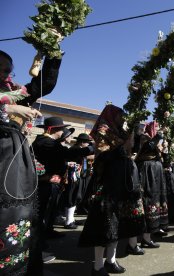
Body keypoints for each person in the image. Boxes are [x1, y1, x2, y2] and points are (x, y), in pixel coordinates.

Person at [0, 49, 62, 275]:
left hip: (15, 160)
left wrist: (53, 51)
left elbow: (42, 84)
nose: (5, 75)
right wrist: (7, 108)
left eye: (7, 70)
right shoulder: (9, 101)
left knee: (20, 211)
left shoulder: (13, 92)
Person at [79, 104, 146, 276]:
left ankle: (111, 260)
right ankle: (98, 266)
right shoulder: (103, 130)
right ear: (112, 114)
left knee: (118, 224)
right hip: (108, 182)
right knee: (104, 225)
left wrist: (136, 137)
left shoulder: (121, 132)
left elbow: (132, 152)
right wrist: (120, 148)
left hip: (122, 183)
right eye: (120, 114)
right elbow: (103, 155)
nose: (123, 117)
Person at [31, 117, 94, 272]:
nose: (63, 132)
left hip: (52, 182)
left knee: (48, 213)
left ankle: (46, 235)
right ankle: (36, 251)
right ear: (52, 129)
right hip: (46, 183)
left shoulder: (48, 142)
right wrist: (91, 149)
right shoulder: (46, 142)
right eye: (61, 129)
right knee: (41, 217)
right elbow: (68, 154)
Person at [134, 121, 168, 248]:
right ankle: (143, 237)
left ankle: (147, 238)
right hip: (147, 170)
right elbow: (148, 147)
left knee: (156, 200)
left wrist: (165, 149)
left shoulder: (156, 141)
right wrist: (159, 136)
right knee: (148, 199)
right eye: (157, 127)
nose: (159, 129)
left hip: (156, 171)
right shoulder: (145, 137)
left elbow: (162, 158)